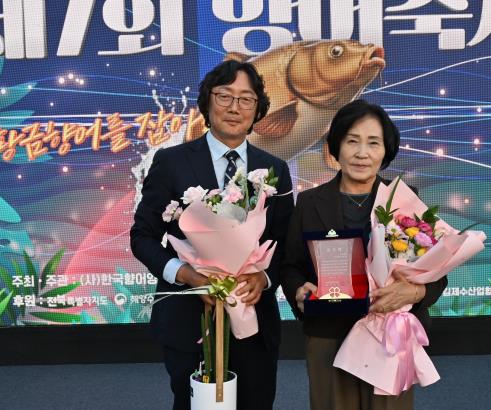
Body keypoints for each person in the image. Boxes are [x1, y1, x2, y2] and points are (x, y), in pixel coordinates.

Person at [130, 60, 294, 410]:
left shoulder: (275, 169)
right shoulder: (171, 162)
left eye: (246, 99)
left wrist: (264, 277)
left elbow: (285, 244)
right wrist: (186, 275)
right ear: (207, 101)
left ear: (258, 109)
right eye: (224, 96)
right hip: (189, 318)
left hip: (253, 318)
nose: (235, 108)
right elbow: (142, 236)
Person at [280, 99, 447, 410]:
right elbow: (290, 266)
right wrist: (299, 291)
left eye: (373, 143)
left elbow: (437, 272)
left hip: (390, 336)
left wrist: (416, 292)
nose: (361, 153)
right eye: (352, 141)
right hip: (329, 333)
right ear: (336, 147)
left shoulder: (405, 200)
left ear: (386, 150)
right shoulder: (309, 202)